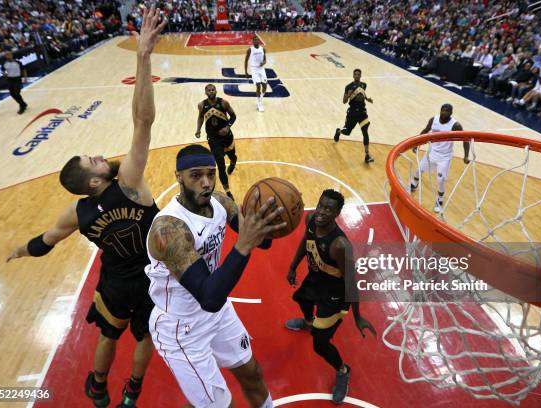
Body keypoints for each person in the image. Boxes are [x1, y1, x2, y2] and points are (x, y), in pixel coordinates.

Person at [6, 7, 166, 407]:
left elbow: (46, 242)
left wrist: (21, 250)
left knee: (108, 334)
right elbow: (143, 121)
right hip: (152, 275)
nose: (98, 155)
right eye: (92, 161)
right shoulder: (129, 185)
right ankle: (133, 387)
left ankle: (97, 384)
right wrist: (143, 58)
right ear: (96, 181)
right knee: (146, 337)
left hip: (114, 281)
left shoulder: (76, 214)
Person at [145, 143, 284, 408]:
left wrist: (267, 220)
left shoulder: (219, 202)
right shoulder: (168, 229)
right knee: (221, 405)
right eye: (196, 175)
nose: (206, 183)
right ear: (179, 177)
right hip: (181, 326)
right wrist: (244, 244)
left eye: (211, 173)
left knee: (252, 373)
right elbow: (208, 296)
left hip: (217, 312)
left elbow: (261, 241)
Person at [285, 189, 376, 405]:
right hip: (317, 279)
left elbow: (351, 284)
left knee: (320, 344)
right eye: (320, 205)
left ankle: (343, 371)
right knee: (301, 298)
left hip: (335, 296)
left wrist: (358, 317)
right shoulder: (310, 219)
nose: (322, 212)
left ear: (337, 213)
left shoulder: (340, 245)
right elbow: (305, 242)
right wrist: (292, 266)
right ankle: (308, 322)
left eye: (328, 209)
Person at [410, 104, 469, 213]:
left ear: (451, 113)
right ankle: (414, 184)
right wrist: (416, 144)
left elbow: (466, 139)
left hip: (444, 157)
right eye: (443, 110)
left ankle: (440, 199)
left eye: (447, 111)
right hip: (431, 152)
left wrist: (466, 155)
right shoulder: (434, 119)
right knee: (419, 169)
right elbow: (425, 130)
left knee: (441, 179)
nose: (444, 112)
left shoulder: (455, 125)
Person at [195, 84, 238, 201]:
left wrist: (228, 127)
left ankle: (233, 162)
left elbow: (233, 116)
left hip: (226, 136)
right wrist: (198, 129)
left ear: (216, 91)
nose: (211, 91)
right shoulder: (202, 105)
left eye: (213, 89)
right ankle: (228, 191)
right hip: (213, 139)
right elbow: (200, 118)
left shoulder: (223, 103)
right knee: (220, 165)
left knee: (232, 156)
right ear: (205, 92)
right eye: (209, 90)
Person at [333, 69, 375, 164]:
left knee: (365, 132)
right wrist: (348, 94)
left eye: (358, 74)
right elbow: (344, 101)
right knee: (347, 132)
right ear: (353, 75)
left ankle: (367, 155)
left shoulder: (364, 85)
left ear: (360, 76)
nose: (357, 76)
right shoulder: (348, 87)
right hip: (352, 113)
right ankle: (338, 131)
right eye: (355, 74)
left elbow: (362, 95)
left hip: (362, 113)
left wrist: (368, 99)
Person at [244, 35, 267, 112]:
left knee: (265, 86)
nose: (256, 41)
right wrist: (246, 72)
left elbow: (265, 60)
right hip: (254, 69)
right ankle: (259, 103)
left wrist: (263, 63)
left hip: (261, 69)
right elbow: (246, 61)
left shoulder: (262, 49)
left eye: (257, 40)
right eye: (254, 40)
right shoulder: (250, 50)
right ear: (252, 41)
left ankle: (260, 98)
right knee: (258, 85)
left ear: (259, 41)